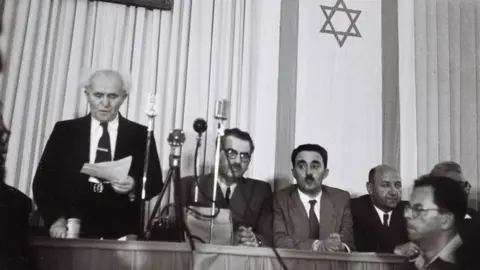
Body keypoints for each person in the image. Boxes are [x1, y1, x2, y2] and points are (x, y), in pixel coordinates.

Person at [32, 69, 163, 239]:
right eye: (98, 95)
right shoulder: (65, 131)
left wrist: (134, 185)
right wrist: (55, 220)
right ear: (87, 95)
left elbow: (155, 183)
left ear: (124, 98)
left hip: (122, 233)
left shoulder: (141, 135)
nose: (105, 103)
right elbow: (42, 183)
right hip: (71, 230)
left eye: (113, 96)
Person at [181, 128, 273, 246]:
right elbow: (176, 233)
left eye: (244, 156)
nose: (238, 161)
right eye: (231, 153)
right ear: (217, 154)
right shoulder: (190, 185)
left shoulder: (260, 190)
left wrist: (256, 240)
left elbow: (268, 235)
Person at [273, 144, 354, 251]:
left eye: (315, 166)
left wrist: (340, 246)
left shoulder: (341, 199)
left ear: (325, 173)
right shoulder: (280, 199)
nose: (308, 173)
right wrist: (317, 245)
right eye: (302, 166)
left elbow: (349, 242)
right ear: (294, 173)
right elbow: (279, 240)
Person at [401, 175, 467, 270]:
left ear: (446, 221)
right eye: (409, 209)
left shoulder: (468, 263)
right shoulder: (411, 264)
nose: (407, 215)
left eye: (418, 209)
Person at [351, 165, 409, 253]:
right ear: (370, 188)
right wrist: (395, 249)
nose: (394, 192)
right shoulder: (355, 208)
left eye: (398, 186)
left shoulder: (409, 210)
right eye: (385, 185)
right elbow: (361, 245)